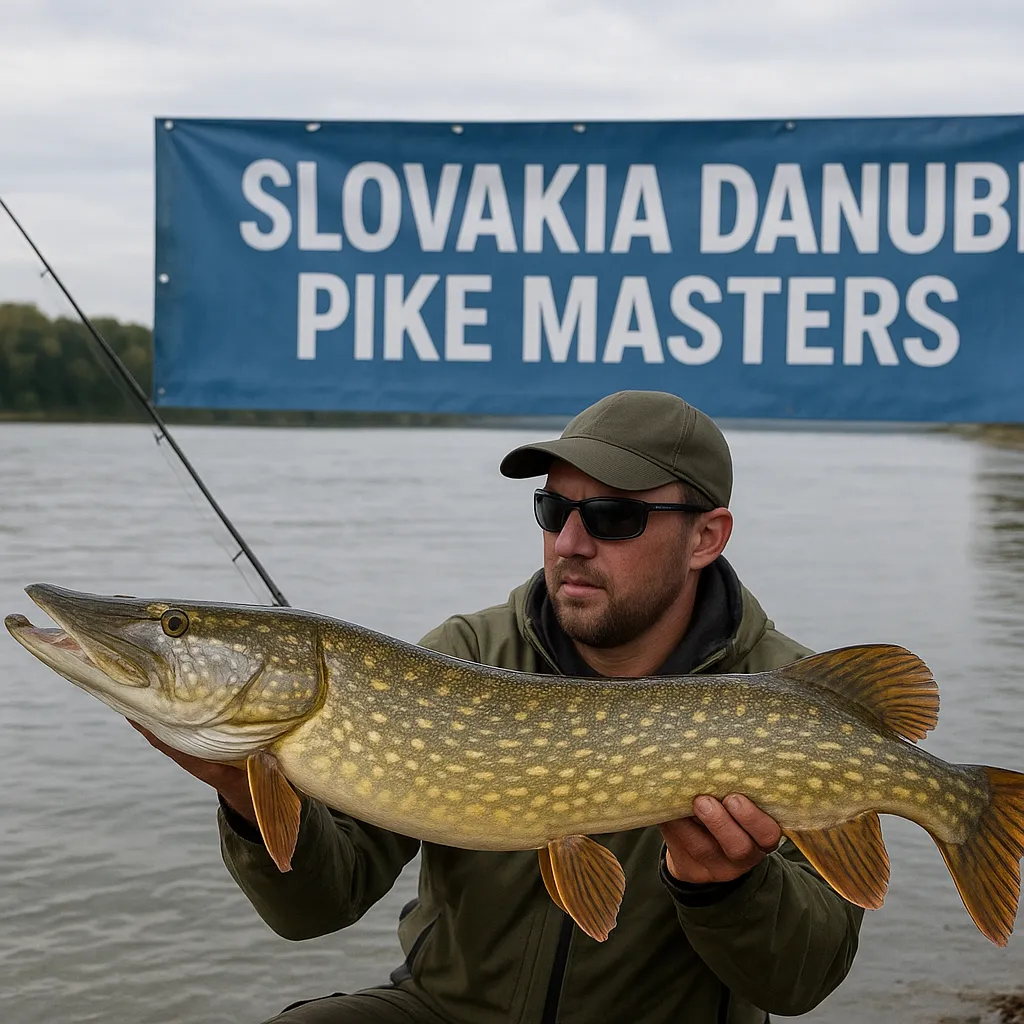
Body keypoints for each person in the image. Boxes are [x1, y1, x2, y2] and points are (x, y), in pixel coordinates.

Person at [136, 390, 863, 1024]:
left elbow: (800, 981)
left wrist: (727, 889)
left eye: (612, 517)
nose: (570, 543)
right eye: (553, 509)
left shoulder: (791, 699)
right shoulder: (464, 655)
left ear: (706, 536)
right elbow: (316, 907)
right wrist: (244, 797)